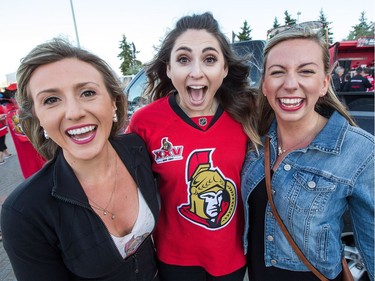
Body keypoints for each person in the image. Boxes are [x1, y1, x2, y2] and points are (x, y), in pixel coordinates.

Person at [1, 38, 160, 281]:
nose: (75, 112)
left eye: (87, 92)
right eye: (51, 100)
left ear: (113, 102)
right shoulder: (24, 212)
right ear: (37, 117)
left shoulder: (139, 150)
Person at [127, 12, 260, 281]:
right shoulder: (145, 121)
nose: (196, 71)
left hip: (232, 258)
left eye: (209, 59)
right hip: (173, 260)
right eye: (183, 59)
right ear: (168, 68)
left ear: (224, 69)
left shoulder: (248, 114)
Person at [241, 27, 374, 280]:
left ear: (324, 83)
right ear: (265, 85)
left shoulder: (359, 151)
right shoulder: (253, 142)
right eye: (278, 72)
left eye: (306, 71)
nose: (290, 84)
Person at [2, 83, 46, 178]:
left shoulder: (23, 105)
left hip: (32, 137)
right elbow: (20, 130)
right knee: (32, 158)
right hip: (27, 139)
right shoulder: (11, 109)